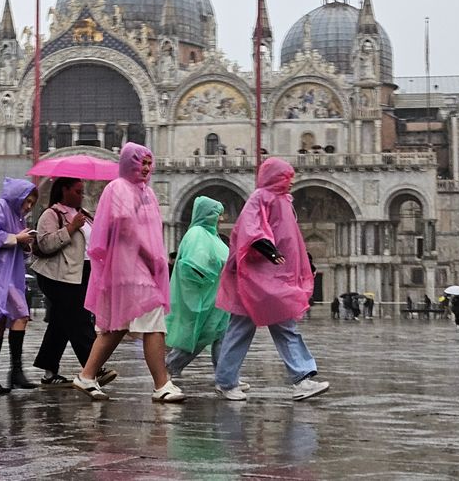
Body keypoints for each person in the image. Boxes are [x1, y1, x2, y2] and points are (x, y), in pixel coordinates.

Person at [73, 143, 185, 403]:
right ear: (127, 163)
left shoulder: (146, 192)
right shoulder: (119, 188)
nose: (146, 168)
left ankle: (87, 375)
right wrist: (150, 256)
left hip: (141, 269)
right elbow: (125, 227)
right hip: (129, 268)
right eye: (140, 162)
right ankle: (162, 383)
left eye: (148, 163)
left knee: (118, 325)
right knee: (153, 323)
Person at [214, 157, 329, 402]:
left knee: (284, 324)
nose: (291, 181)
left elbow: (291, 239)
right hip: (255, 277)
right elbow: (250, 227)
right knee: (241, 328)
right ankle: (226, 381)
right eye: (286, 177)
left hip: (275, 277)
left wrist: (304, 260)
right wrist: (267, 249)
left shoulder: (285, 201)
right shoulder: (260, 197)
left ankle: (302, 378)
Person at [31, 178, 116, 389]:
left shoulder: (85, 215)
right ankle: (93, 368)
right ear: (64, 190)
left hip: (83, 273)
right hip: (59, 276)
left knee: (61, 322)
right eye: (77, 191)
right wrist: (70, 229)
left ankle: (49, 371)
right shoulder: (51, 214)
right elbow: (45, 243)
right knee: (79, 319)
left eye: (82, 191)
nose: (81, 195)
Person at [0, 178, 39, 394]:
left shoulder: (17, 215)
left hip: (11, 272)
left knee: (3, 319)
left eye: (32, 203)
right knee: (19, 315)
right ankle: (13, 371)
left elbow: (15, 242)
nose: (29, 206)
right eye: (27, 201)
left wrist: (24, 242)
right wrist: (17, 237)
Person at [164, 196, 231, 380]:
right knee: (201, 336)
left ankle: (226, 377)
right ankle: (169, 366)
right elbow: (192, 265)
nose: (221, 219)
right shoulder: (197, 234)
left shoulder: (211, 235)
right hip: (205, 297)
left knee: (221, 336)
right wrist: (211, 276)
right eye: (218, 214)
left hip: (218, 297)